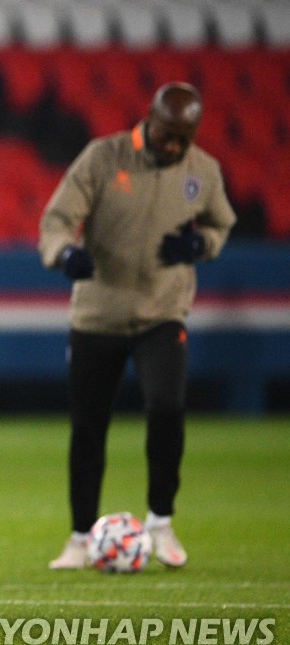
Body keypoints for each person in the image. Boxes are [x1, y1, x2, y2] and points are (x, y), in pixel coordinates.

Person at [38, 82, 236, 570]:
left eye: (183, 138)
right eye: (168, 135)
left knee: (167, 408)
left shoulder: (202, 172)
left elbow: (220, 223)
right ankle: (81, 537)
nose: (173, 146)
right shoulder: (104, 158)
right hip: (97, 314)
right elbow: (58, 218)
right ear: (150, 120)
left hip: (161, 313)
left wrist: (200, 246)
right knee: (89, 426)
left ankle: (161, 522)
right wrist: (65, 254)